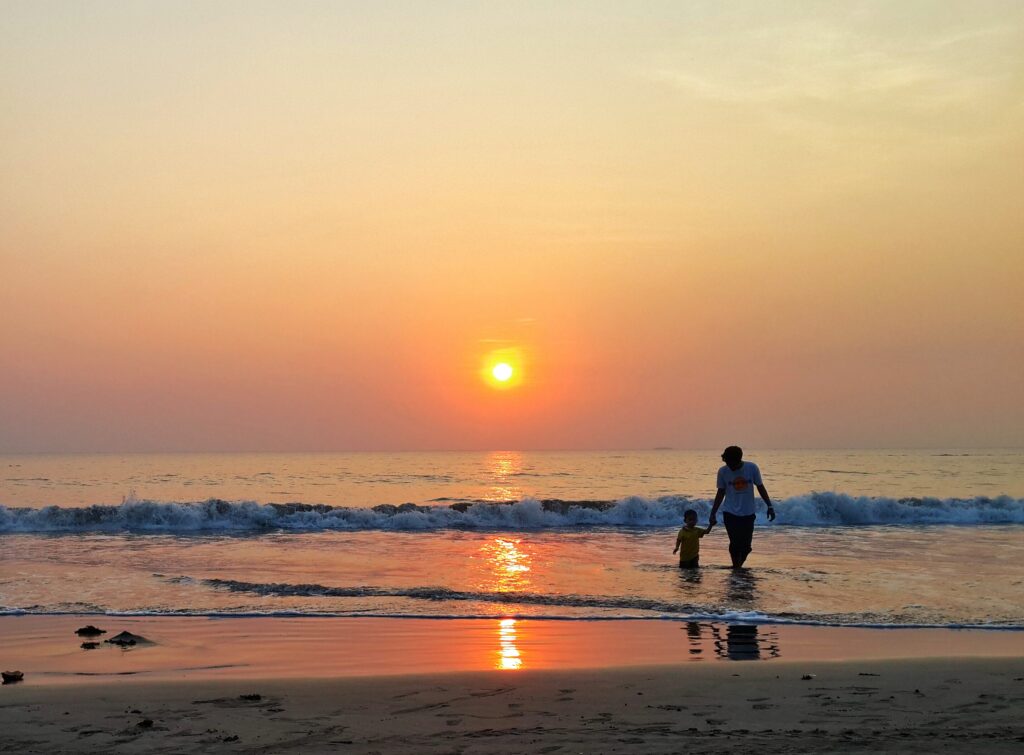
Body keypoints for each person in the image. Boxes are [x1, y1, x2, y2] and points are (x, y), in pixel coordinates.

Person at [708, 446, 775, 568]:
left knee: (746, 547)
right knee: (734, 544)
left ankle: (737, 567)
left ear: (739, 460)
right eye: (727, 462)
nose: (729, 466)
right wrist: (713, 513)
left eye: (731, 463)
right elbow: (720, 492)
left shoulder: (752, 468)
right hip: (730, 513)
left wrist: (769, 506)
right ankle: (736, 569)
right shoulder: (723, 471)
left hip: (748, 513)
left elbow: (760, 487)